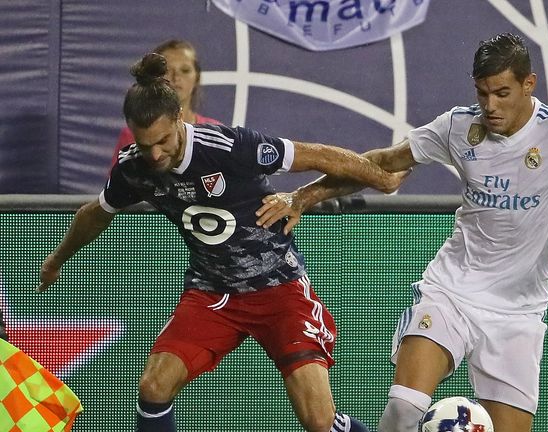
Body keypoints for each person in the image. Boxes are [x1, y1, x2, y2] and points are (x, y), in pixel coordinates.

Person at [254, 33, 548, 432]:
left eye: (502, 93)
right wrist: (304, 196)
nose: (490, 105)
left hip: (517, 315)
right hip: (451, 292)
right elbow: (381, 164)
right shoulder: (458, 127)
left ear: (529, 84)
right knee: (403, 409)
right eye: (483, 93)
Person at [37, 52, 409, 432]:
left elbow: (318, 155)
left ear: (179, 119)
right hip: (212, 293)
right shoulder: (134, 168)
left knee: (318, 420)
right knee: (153, 386)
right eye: (144, 143)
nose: (155, 154)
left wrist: (380, 179)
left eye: (163, 141)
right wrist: (56, 259)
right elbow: (95, 213)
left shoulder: (232, 147)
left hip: (280, 290)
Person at [111, 39, 222, 167]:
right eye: (167, 70)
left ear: (197, 77)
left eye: (185, 70)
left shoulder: (215, 131)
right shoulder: (134, 134)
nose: (176, 77)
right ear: (153, 77)